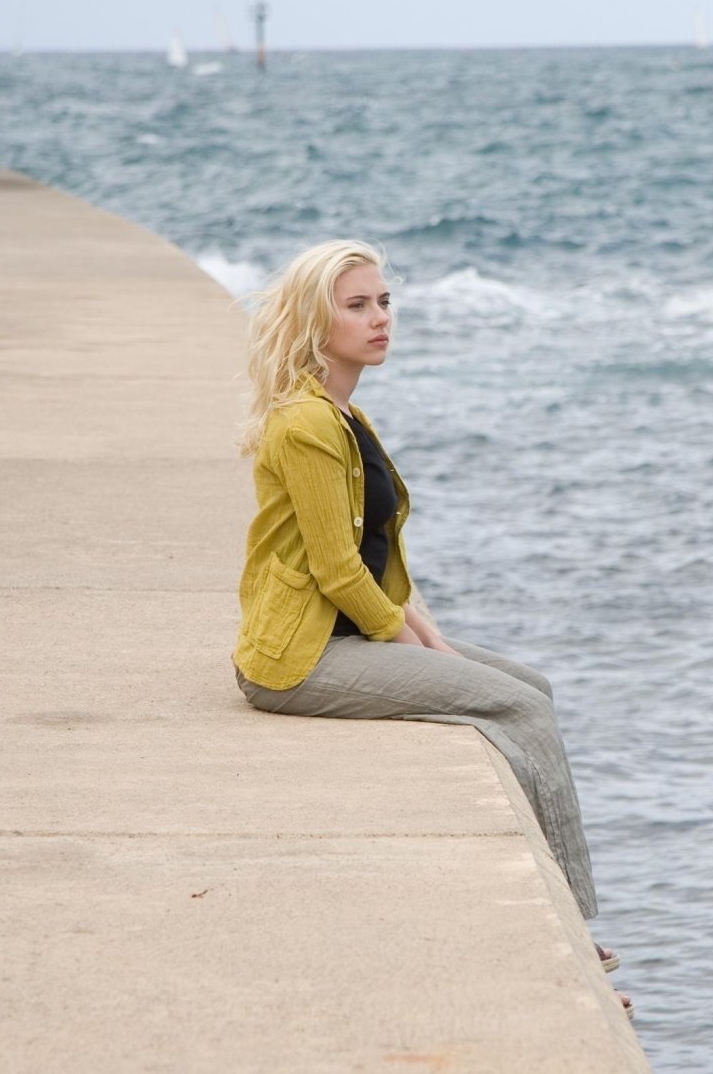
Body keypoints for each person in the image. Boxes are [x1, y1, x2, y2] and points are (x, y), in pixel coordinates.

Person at [231, 239, 626, 1009]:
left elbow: (368, 551)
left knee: (530, 685)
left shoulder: (348, 415)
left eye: (384, 301)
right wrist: (404, 636)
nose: (380, 318)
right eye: (358, 305)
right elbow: (338, 571)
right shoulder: (306, 425)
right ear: (317, 322)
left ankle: (567, 911)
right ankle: (575, 933)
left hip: (344, 631)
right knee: (519, 709)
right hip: (299, 657)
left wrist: (430, 635)